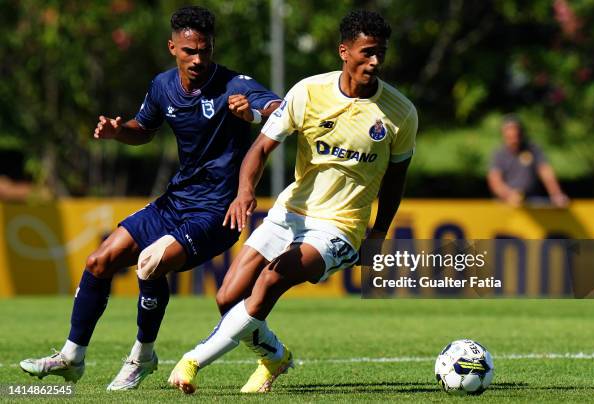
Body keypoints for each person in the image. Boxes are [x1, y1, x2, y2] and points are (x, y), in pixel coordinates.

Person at [19, 6, 280, 391]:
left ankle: (142, 356)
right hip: (176, 201)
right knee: (98, 261)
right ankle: (72, 357)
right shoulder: (162, 86)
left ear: (212, 48)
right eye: (189, 51)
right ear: (172, 47)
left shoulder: (233, 85)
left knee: (151, 262)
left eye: (204, 51)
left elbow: (280, 109)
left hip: (217, 211)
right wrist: (118, 130)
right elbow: (144, 129)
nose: (197, 59)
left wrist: (255, 113)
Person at [166, 9, 418, 394]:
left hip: (340, 227)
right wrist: (245, 191)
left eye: (381, 53)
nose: (375, 62)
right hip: (290, 212)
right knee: (228, 297)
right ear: (344, 51)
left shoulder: (401, 113)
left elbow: (396, 179)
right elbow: (261, 147)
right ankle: (275, 356)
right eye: (367, 52)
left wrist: (379, 231)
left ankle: (193, 360)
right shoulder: (308, 92)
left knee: (270, 281)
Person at [487, 115, 569, 207]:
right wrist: (508, 194)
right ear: (503, 133)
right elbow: (495, 180)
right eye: (509, 130)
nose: (513, 133)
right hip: (506, 203)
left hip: (532, 200)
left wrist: (556, 194)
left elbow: (545, 172)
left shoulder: (532, 149)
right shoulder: (499, 154)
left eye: (516, 130)